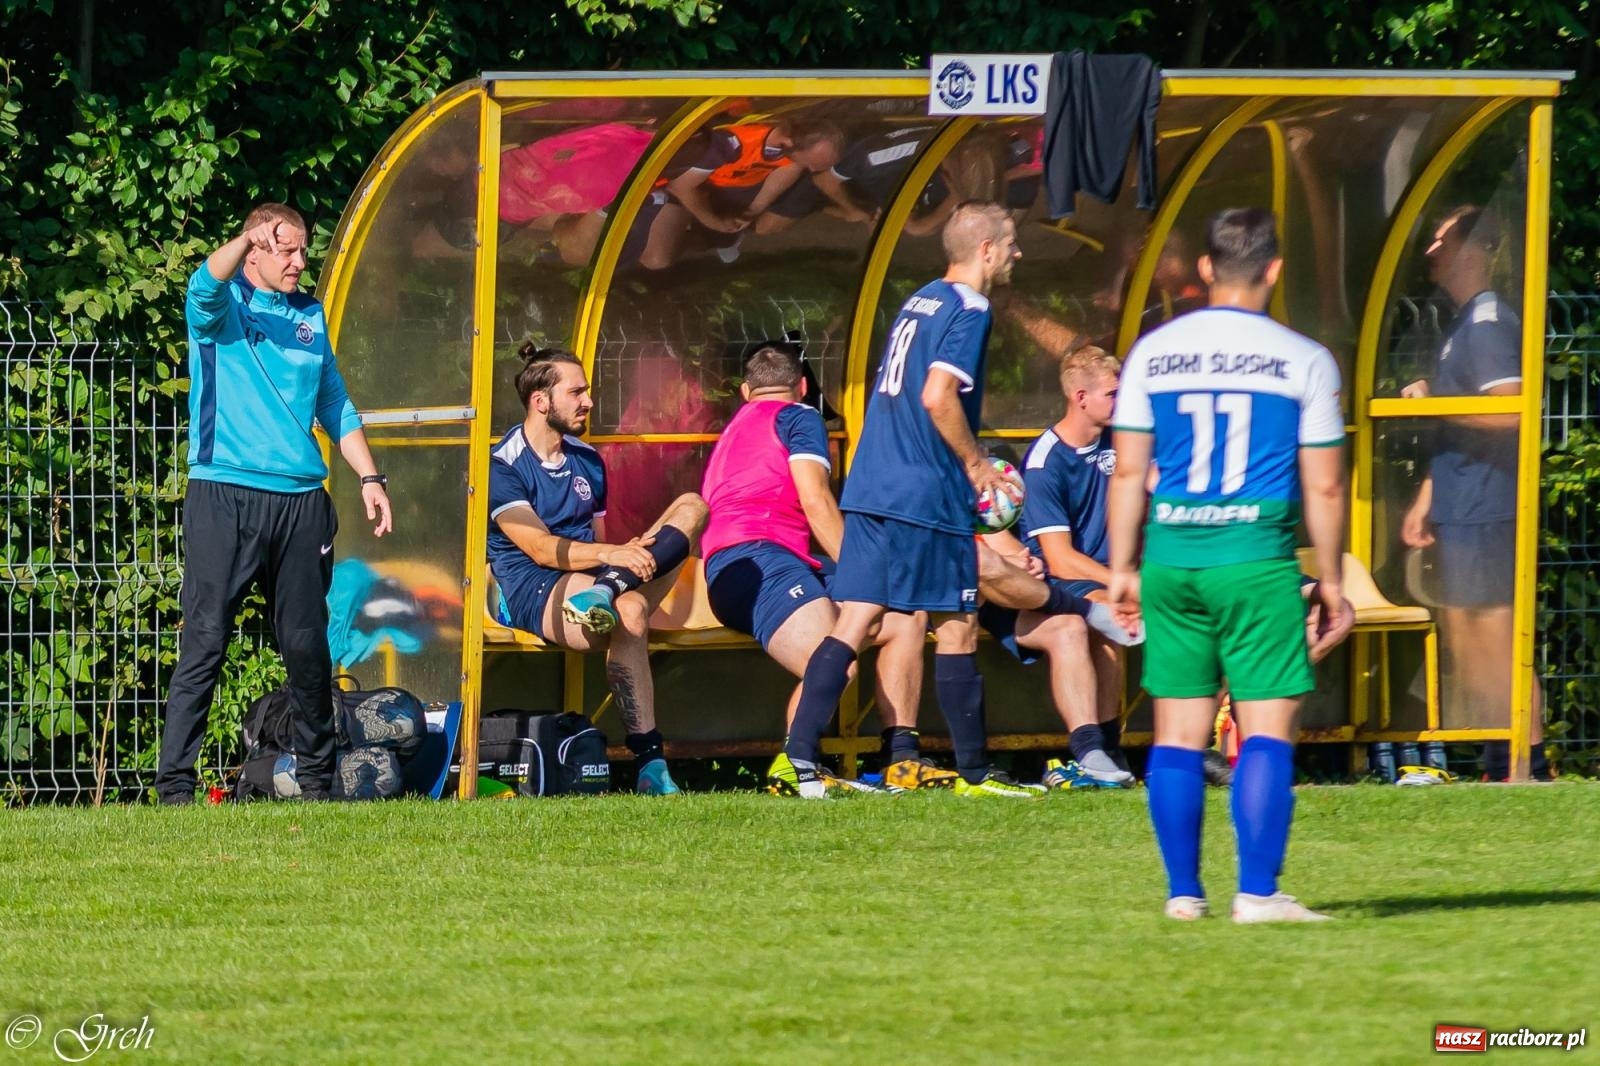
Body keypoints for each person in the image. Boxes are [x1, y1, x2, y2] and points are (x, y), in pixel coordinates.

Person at [1106, 207, 1352, 923]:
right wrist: (1331, 581)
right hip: (1256, 559)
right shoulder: (1304, 359)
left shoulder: (1154, 351)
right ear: (1274, 270)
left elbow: (1128, 472)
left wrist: (1123, 564)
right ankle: (1258, 893)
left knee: (1177, 730)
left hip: (1173, 556)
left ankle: (1184, 895)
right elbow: (1326, 484)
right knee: (1268, 727)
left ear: (1207, 270)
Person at [770, 200, 1045, 800]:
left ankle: (796, 762)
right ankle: (974, 774)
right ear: (988, 251)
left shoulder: (920, 297)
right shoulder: (972, 307)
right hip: (926, 488)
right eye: (1013, 241)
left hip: (873, 482)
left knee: (860, 616)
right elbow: (937, 394)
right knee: (958, 623)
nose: (1018, 252)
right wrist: (975, 464)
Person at [156, 203, 394, 805]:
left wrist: (370, 477)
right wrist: (241, 237)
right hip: (224, 496)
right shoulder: (220, 310)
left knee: (306, 643)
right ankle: (175, 788)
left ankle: (318, 781)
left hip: (299, 505)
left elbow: (335, 404)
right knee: (206, 638)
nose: (298, 261)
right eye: (284, 250)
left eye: (302, 249)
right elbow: (203, 283)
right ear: (255, 251)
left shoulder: (310, 316)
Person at [699, 342, 949, 792]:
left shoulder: (734, 428)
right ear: (802, 387)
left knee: (904, 619)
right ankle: (797, 768)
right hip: (760, 559)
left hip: (748, 565)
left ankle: (902, 760)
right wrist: (863, 572)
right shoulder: (799, 417)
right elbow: (816, 500)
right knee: (837, 659)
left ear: (744, 391)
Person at [487, 345, 708, 796]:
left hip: (596, 581)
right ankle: (651, 763)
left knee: (692, 506)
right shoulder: (501, 464)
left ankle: (606, 593)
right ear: (540, 401)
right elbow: (541, 549)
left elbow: (598, 536)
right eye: (577, 392)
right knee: (628, 609)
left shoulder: (587, 459)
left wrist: (616, 561)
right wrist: (613, 556)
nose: (588, 401)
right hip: (533, 586)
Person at [1399, 206, 1549, 781]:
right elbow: (1461, 421)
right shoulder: (1462, 323)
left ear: (1471, 250)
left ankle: (1525, 762)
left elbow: (1508, 407)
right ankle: (1500, 757)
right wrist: (1425, 501)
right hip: (1461, 504)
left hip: (1487, 505)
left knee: (1495, 632)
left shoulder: (1486, 322)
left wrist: (1431, 401)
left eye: (1440, 239)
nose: (1430, 249)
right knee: (1465, 632)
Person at [1006, 344, 1138, 782]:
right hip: (1063, 583)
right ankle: (1099, 750)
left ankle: (1206, 746)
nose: (1122, 402)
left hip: (1114, 575)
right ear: (1081, 398)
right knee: (1108, 614)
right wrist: (1123, 583)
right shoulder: (1046, 462)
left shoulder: (1123, 441)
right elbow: (1060, 559)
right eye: (1113, 394)